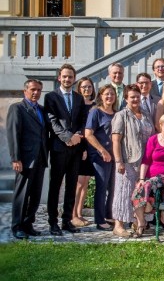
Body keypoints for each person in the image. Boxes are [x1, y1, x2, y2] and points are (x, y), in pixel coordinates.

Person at [44, 63, 85, 236]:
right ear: (59, 77)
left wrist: (77, 136)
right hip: (59, 148)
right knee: (55, 185)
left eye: (71, 76)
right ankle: (53, 222)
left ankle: (67, 220)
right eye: (65, 76)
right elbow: (52, 122)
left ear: (74, 79)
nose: (68, 79)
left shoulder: (78, 98)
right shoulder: (51, 97)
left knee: (71, 185)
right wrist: (68, 138)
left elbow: (83, 120)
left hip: (75, 149)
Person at [111, 85, 155, 238]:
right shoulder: (121, 115)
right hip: (128, 159)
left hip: (144, 160)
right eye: (132, 97)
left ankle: (138, 221)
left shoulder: (146, 114)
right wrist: (119, 161)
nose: (135, 99)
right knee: (123, 192)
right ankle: (119, 225)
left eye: (137, 96)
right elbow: (116, 140)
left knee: (139, 193)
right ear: (125, 99)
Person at [7, 79, 48, 239]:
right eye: (33, 89)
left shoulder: (42, 110)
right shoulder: (17, 108)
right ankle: (17, 226)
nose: (36, 92)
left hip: (40, 158)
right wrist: (15, 158)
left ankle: (28, 223)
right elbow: (13, 134)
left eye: (38, 90)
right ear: (25, 91)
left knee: (35, 195)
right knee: (22, 194)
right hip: (25, 158)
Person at [85, 85, 117, 231]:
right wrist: (102, 151)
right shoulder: (95, 112)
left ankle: (108, 215)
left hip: (114, 156)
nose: (109, 97)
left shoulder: (116, 113)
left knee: (113, 187)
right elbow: (88, 134)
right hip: (100, 156)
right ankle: (99, 220)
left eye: (112, 94)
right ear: (101, 96)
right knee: (102, 187)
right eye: (106, 94)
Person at [72, 77, 96, 227]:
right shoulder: (77, 105)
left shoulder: (95, 106)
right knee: (79, 183)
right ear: (79, 88)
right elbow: (77, 128)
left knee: (85, 182)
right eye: (84, 87)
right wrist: (82, 148)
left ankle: (80, 214)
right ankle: (72, 214)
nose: (87, 89)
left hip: (91, 147)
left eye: (89, 87)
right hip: (80, 148)